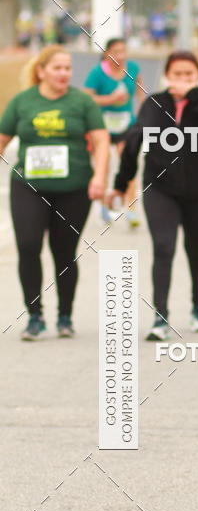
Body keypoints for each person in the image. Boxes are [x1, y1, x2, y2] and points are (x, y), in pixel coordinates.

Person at [108, 50, 198, 340]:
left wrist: (195, 96)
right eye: (177, 74)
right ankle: (160, 317)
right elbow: (136, 138)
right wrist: (120, 182)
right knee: (164, 247)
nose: (183, 80)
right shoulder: (154, 103)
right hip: (160, 189)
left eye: (189, 75)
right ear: (166, 76)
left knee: (196, 250)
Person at [0, 45, 109, 339]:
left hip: (73, 188)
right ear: (42, 71)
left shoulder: (82, 103)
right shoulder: (23, 102)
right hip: (29, 186)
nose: (64, 74)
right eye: (57, 68)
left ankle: (64, 316)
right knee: (28, 245)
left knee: (64, 252)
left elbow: (101, 142)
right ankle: (35, 316)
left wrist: (99, 177)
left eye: (68, 68)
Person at [83, 37, 144, 226]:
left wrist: (145, 112)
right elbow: (87, 99)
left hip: (126, 125)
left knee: (128, 165)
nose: (121, 55)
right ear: (107, 54)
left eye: (123, 51)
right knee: (104, 166)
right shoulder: (97, 73)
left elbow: (141, 93)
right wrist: (110, 99)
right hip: (101, 126)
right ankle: (103, 208)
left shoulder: (132, 69)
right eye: (116, 52)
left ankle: (131, 210)